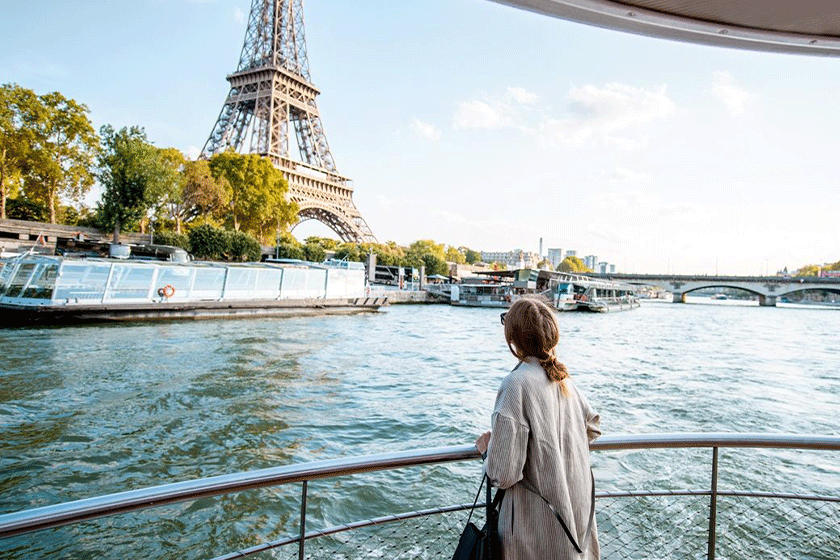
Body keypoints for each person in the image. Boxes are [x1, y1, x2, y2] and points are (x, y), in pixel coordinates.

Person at [475, 296, 601, 559]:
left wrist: (489, 450)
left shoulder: (516, 384)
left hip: (537, 533)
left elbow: (503, 474)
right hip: (575, 525)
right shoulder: (562, 380)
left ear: (514, 338)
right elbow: (592, 427)